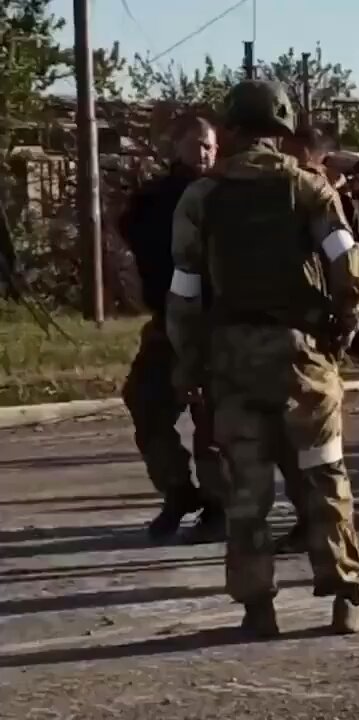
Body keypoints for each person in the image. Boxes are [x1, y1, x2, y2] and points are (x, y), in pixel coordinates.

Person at [167, 80, 359, 638]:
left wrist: (189, 366)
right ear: (285, 128)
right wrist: (344, 327)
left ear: (233, 128)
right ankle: (346, 600)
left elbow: (185, 294)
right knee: (323, 475)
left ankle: (257, 609)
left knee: (247, 488)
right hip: (302, 359)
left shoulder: (201, 197)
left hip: (232, 362)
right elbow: (348, 265)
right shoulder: (309, 187)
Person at [272, 126, 359, 556]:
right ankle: (311, 526)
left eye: (301, 162)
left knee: (321, 452)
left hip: (320, 340)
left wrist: (353, 331)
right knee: (290, 445)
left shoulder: (338, 207)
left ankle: (335, 557)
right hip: (285, 340)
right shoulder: (282, 202)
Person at [118, 114, 227, 545]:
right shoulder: (156, 197)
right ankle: (178, 491)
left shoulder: (226, 197)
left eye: (209, 145)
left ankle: (218, 506)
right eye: (195, 143)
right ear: (176, 144)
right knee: (145, 402)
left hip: (216, 326)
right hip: (167, 322)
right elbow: (130, 232)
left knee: (213, 421)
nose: (202, 152)